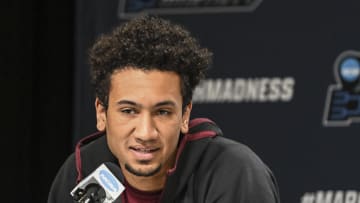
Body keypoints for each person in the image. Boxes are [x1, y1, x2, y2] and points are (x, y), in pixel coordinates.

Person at [48, 15, 280, 203]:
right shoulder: (81, 172)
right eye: (129, 111)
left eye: (162, 112)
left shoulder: (233, 174)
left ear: (185, 115)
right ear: (101, 113)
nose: (145, 133)